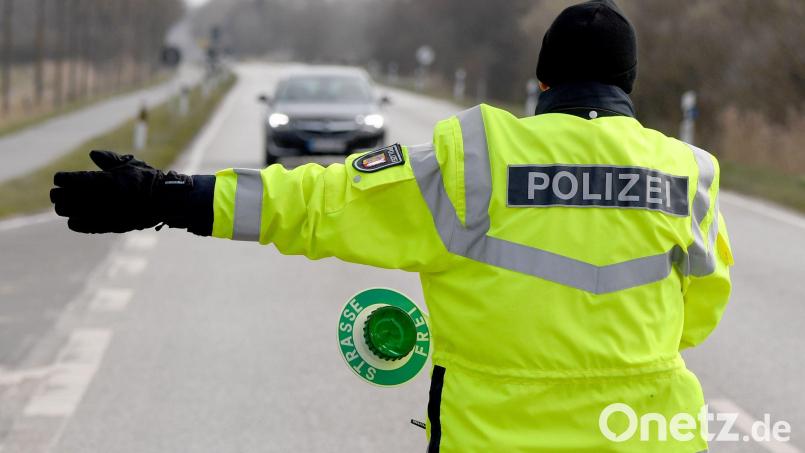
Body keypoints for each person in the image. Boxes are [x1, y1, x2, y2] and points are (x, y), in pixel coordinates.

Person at [50, 0, 733, 451]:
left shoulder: (477, 160)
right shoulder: (687, 173)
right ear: (627, 86)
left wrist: (166, 197)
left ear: (542, 82)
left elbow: (317, 201)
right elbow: (698, 317)